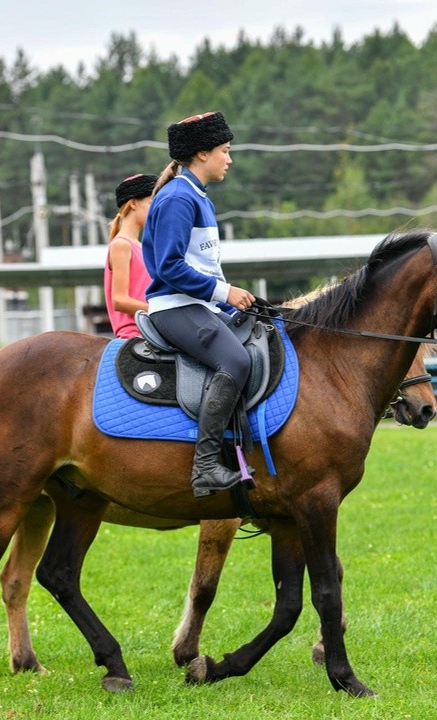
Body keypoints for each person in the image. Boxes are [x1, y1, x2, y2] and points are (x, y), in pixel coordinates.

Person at [141, 111, 256, 498]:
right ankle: (206, 465)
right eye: (225, 151)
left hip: (197, 305)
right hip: (173, 307)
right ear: (202, 154)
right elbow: (171, 267)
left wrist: (232, 305)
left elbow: (202, 265)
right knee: (236, 361)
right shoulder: (177, 197)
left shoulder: (197, 196)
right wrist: (225, 294)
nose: (230, 158)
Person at [104, 173, 158, 338]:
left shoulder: (143, 248)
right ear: (134, 203)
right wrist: (161, 310)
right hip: (136, 332)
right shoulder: (121, 245)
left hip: (152, 328)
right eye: (152, 203)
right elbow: (119, 300)